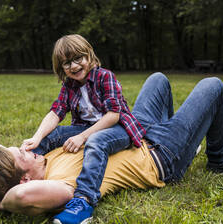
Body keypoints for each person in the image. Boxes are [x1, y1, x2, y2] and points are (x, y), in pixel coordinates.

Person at [0, 73, 223, 224]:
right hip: (160, 156)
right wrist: (1, 202)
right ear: (24, 178)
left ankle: (181, 134)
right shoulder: (59, 186)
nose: (25, 147)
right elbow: (23, 196)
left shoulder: (41, 159)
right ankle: (218, 161)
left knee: (158, 79)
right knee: (213, 85)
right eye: (21, 154)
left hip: (134, 131)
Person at [20, 34, 145, 223]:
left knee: (95, 141)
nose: (74, 66)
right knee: (51, 135)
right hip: (85, 127)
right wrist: (37, 137)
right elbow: (56, 112)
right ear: (61, 67)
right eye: (66, 63)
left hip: (117, 128)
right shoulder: (69, 84)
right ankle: (23, 176)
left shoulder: (105, 76)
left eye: (78, 58)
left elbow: (113, 115)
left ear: (89, 55)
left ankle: (83, 201)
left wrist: (83, 137)